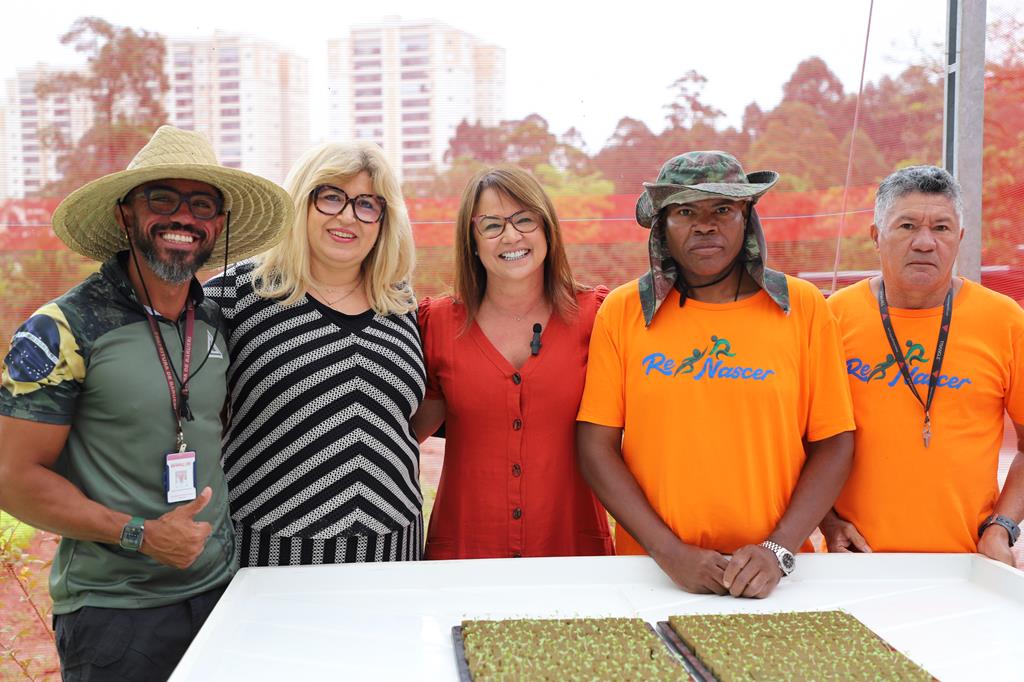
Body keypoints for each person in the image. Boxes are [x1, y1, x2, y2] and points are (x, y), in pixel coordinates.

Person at [0, 125, 291, 680]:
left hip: (220, 595)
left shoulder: (215, 321)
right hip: (114, 613)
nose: (184, 217)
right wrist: (139, 533)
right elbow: (12, 478)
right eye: (162, 198)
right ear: (124, 216)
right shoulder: (62, 328)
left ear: (218, 226)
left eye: (202, 204)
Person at [576, 151, 855, 598]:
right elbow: (595, 445)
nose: (704, 225)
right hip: (652, 576)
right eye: (685, 211)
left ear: (747, 217)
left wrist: (777, 550)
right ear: (663, 226)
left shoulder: (802, 307)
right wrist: (669, 553)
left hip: (779, 578)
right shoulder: (625, 312)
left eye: (722, 209)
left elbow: (835, 442)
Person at [204, 142, 424, 566]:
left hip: (392, 553)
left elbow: (405, 418)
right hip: (268, 554)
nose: (347, 216)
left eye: (367, 204)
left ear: (384, 219)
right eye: (331, 197)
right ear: (300, 200)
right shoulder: (235, 294)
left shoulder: (400, 303)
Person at [823, 165, 1024, 564]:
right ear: (876, 236)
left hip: (969, 562)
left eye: (942, 228)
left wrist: (1002, 527)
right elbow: (797, 443)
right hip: (852, 560)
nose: (925, 243)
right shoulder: (832, 318)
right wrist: (827, 520)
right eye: (907, 226)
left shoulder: (1004, 320)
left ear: (960, 238)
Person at [413, 166, 613, 560]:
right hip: (465, 553)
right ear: (471, 239)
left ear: (547, 229)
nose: (511, 236)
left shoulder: (598, 316)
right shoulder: (435, 323)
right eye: (491, 225)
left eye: (525, 219)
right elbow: (402, 436)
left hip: (573, 551)